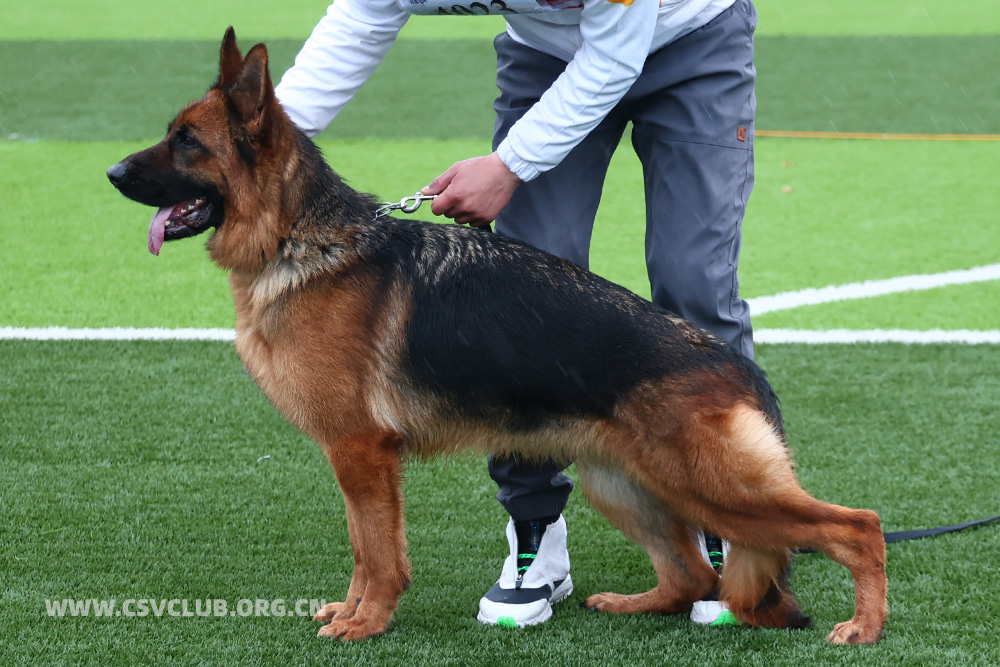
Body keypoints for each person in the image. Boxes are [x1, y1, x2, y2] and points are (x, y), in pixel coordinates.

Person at [275, 0, 757, 629]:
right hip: (545, 55)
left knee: (694, 279)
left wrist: (509, 166)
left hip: (693, 40)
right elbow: (363, 16)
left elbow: (613, 58)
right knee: (526, 302)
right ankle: (536, 531)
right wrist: (261, 141)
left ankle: (733, 521)